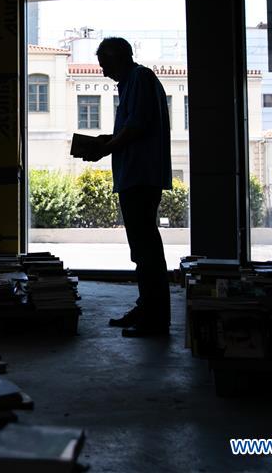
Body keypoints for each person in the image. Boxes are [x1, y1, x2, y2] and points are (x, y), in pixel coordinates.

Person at [91, 37, 172, 338]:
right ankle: (147, 307)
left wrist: (106, 148)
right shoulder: (132, 83)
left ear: (120, 58)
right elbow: (131, 127)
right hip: (136, 175)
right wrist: (107, 141)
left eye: (106, 65)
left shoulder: (139, 78)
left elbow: (136, 127)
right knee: (142, 248)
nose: (103, 72)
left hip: (141, 176)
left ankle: (154, 318)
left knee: (146, 249)